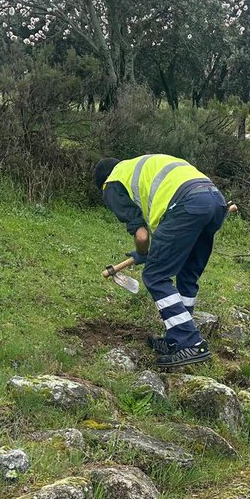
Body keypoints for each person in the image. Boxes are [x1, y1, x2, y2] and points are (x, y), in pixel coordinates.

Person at [93, 154, 228, 369]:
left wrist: (143, 253)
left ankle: (189, 341)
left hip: (187, 205)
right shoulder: (138, 165)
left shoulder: (112, 183)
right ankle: (177, 339)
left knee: (155, 275)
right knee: (187, 273)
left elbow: (142, 236)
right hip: (215, 201)